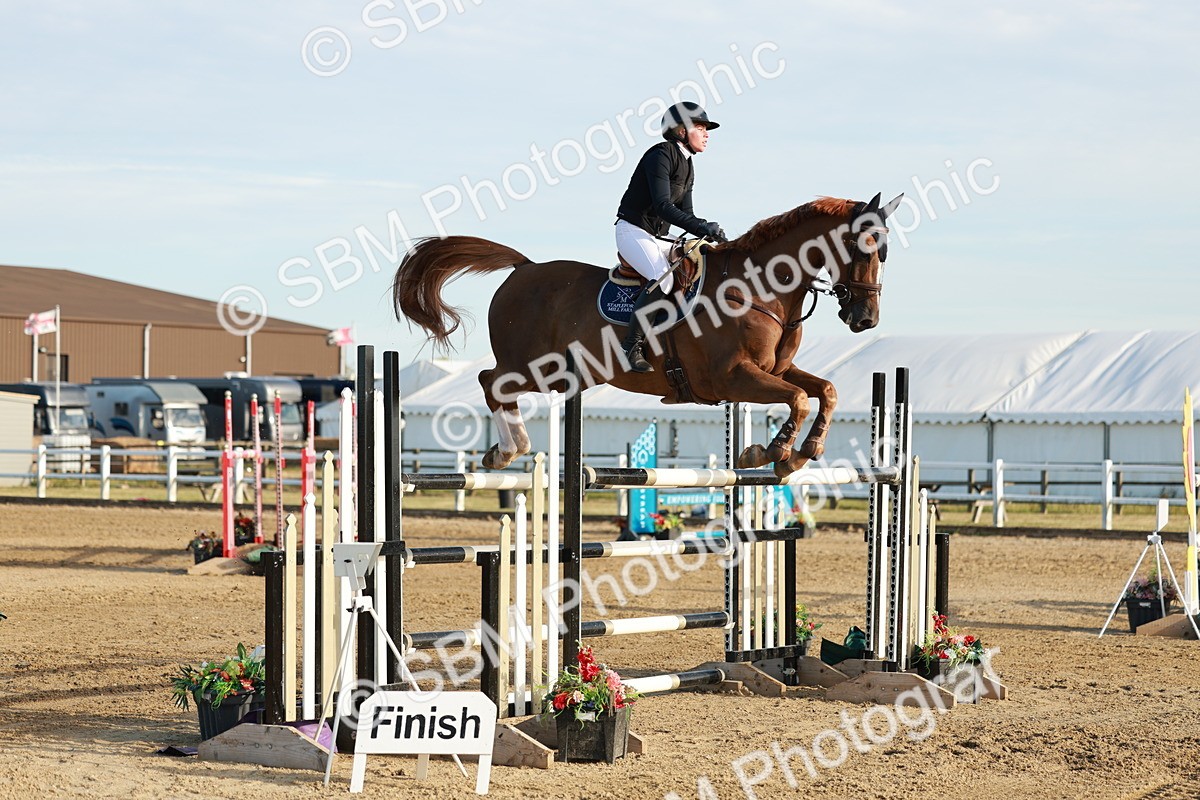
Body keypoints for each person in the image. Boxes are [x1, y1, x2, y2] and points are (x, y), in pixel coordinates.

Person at [615, 101, 728, 373]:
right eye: (700, 128)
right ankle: (631, 346)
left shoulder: (688, 165)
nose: (707, 134)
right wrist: (702, 226)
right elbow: (663, 206)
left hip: (659, 237)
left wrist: (708, 235)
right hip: (633, 230)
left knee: (696, 269)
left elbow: (686, 213)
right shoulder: (661, 155)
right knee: (663, 281)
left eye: (706, 129)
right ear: (680, 131)